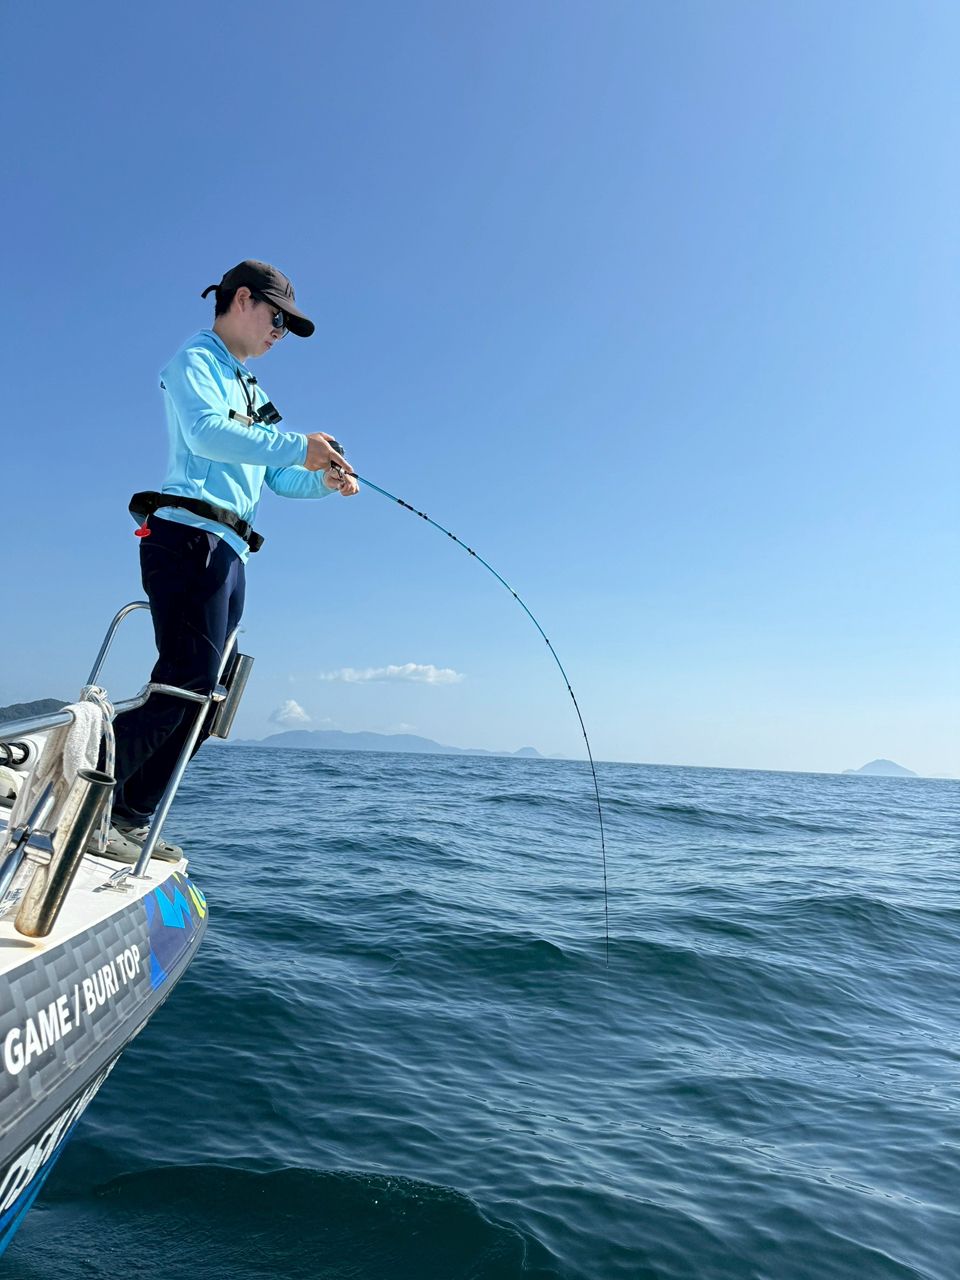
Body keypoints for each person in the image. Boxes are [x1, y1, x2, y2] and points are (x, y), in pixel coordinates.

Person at [101, 260, 358, 863]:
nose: (280, 334)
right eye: (277, 319)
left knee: (205, 696)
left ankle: (127, 818)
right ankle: (81, 792)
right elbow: (206, 435)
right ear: (242, 299)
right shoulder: (194, 359)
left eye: (289, 328)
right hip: (190, 539)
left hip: (231, 551)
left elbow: (276, 478)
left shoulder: (253, 390)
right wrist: (302, 446)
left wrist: (324, 479)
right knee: (184, 682)